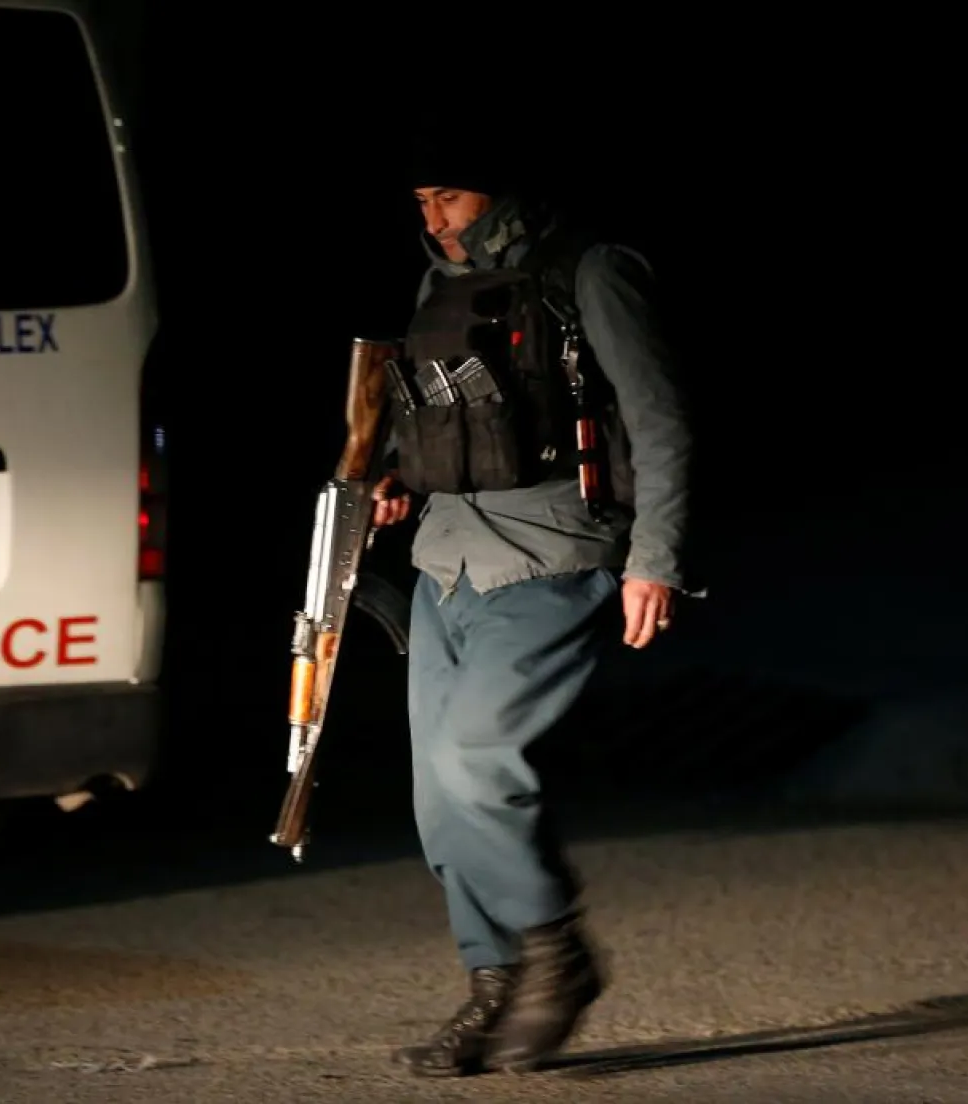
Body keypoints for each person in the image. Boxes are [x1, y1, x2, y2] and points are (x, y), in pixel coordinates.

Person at [372, 141, 695, 1077]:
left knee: (479, 759)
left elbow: (662, 416)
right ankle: (494, 984)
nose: (436, 222)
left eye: (450, 198)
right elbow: (426, 418)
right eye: (423, 204)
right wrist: (397, 477)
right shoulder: (437, 288)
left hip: (553, 554)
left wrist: (657, 560)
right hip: (445, 565)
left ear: (504, 186)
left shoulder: (592, 271)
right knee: (441, 802)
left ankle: (558, 954)